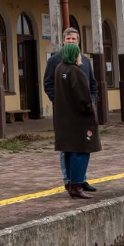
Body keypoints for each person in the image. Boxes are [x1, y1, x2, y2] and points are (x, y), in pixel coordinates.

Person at [42, 27, 100, 194]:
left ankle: (80, 179)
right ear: (63, 41)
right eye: (68, 39)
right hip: (66, 113)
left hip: (83, 111)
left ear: (78, 41)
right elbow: (48, 84)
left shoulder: (85, 61)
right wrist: (59, 102)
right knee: (68, 147)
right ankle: (70, 180)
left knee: (82, 146)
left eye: (74, 39)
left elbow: (93, 84)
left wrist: (93, 101)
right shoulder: (56, 61)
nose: (71, 42)